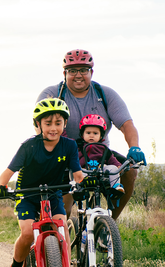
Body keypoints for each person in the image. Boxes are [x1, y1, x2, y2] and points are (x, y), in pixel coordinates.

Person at [0, 98, 86, 267]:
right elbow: (8, 172)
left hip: (54, 193)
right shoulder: (29, 146)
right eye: (48, 123)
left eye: (58, 123)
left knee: (62, 228)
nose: (53, 128)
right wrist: (0, 186)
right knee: (26, 233)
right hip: (27, 194)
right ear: (38, 125)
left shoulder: (68, 146)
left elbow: (77, 173)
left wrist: (85, 184)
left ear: (65, 124)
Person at [36, 49, 146, 220]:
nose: (78, 75)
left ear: (91, 72)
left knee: (130, 170)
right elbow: (40, 127)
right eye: (72, 70)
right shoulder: (52, 95)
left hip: (98, 152)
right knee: (62, 211)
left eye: (83, 70)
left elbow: (126, 124)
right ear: (65, 73)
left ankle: (109, 224)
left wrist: (135, 147)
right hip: (64, 154)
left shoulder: (105, 94)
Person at [78, 114, 125, 194]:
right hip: (85, 171)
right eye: (88, 133)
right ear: (82, 134)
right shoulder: (79, 146)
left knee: (113, 168)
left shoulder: (103, 148)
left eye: (95, 133)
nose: (91, 135)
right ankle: (77, 188)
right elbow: (74, 158)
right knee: (75, 171)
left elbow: (111, 158)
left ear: (101, 136)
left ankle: (115, 187)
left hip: (100, 171)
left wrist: (117, 165)